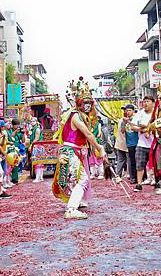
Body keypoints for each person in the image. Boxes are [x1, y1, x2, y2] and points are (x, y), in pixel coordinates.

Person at [53, 77, 106, 219]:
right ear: (79, 103)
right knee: (82, 179)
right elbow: (88, 134)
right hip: (70, 152)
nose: (87, 106)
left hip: (74, 152)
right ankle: (71, 209)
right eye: (84, 103)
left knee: (80, 179)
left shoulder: (80, 116)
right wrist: (99, 147)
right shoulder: (75, 115)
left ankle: (74, 204)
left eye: (89, 103)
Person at [131, 96, 154, 192]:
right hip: (141, 144)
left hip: (154, 143)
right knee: (140, 164)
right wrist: (142, 129)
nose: (145, 103)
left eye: (148, 101)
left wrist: (150, 129)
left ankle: (157, 181)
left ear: (153, 102)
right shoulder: (139, 114)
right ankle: (139, 184)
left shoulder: (156, 114)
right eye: (144, 102)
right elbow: (132, 126)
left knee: (156, 164)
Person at [121, 104, 138, 185]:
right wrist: (124, 123)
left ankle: (143, 176)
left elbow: (137, 129)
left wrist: (129, 122)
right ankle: (134, 177)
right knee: (132, 161)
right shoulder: (124, 120)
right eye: (127, 110)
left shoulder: (136, 118)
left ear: (133, 111)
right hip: (130, 143)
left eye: (129, 110)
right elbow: (122, 131)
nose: (128, 112)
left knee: (140, 160)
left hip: (138, 142)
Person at [114, 107, 130, 179]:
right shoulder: (122, 120)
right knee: (124, 159)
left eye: (128, 110)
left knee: (123, 159)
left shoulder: (124, 120)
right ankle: (121, 174)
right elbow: (123, 130)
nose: (126, 112)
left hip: (124, 142)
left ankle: (120, 174)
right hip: (124, 143)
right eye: (125, 110)